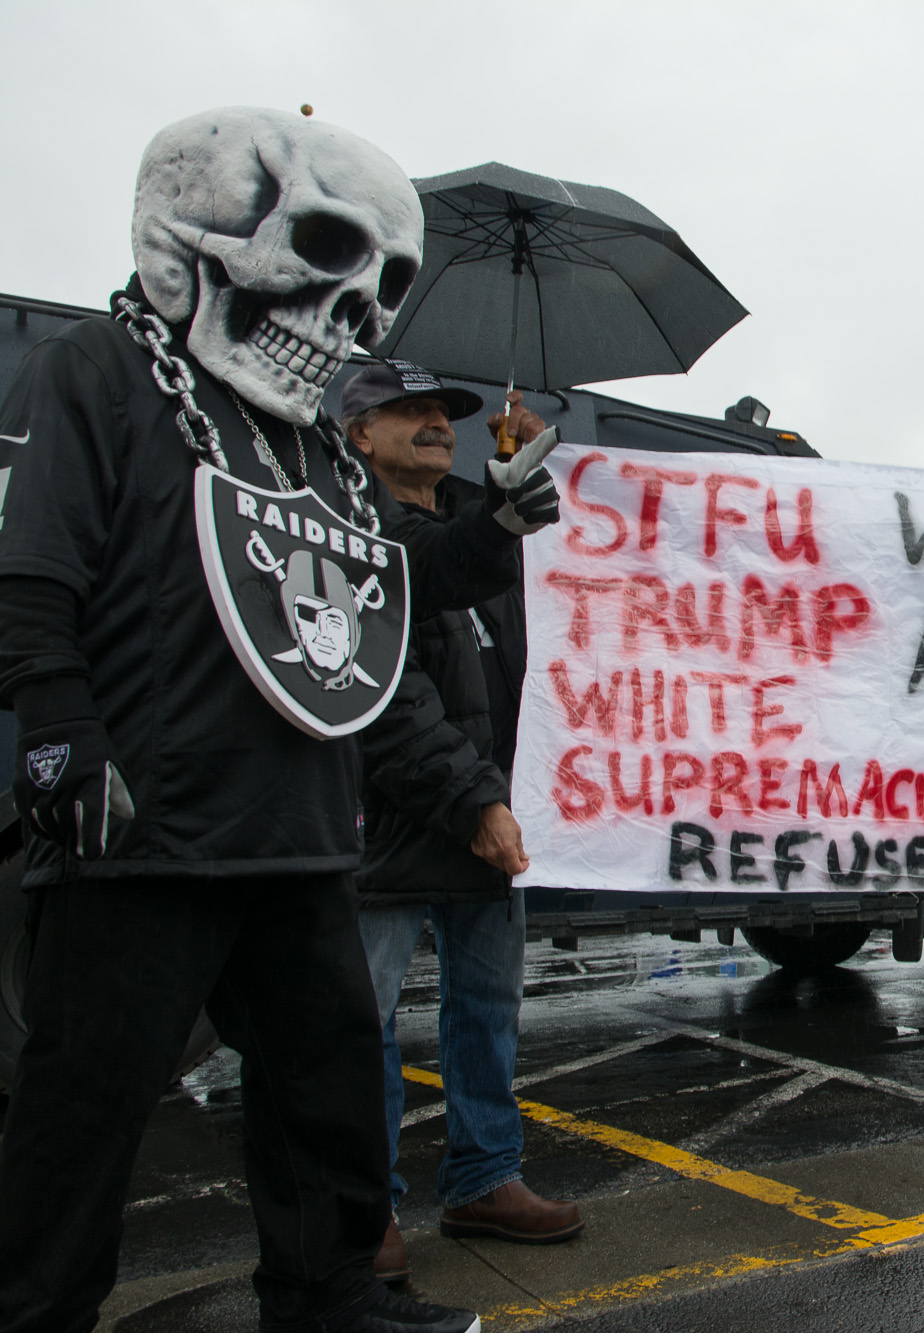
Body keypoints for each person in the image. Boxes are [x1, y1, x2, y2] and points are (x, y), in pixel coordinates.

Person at [0, 108, 508, 1333]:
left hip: (299, 826)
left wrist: (497, 521)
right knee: (85, 1101)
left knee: (323, 1087)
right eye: (326, 257)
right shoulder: (101, 371)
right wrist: (57, 725)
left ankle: (329, 1294)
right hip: (147, 827)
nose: (353, 316)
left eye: (382, 289)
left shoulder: (317, 447)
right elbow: (34, 568)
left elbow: (394, 587)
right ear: (189, 239)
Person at [340, 365, 580, 1283]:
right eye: (410, 412)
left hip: (489, 810)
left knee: (487, 1008)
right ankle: (361, 1208)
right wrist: (475, 798)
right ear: (360, 435)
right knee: (358, 1019)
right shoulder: (347, 532)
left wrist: (508, 478)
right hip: (396, 821)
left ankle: (484, 1177)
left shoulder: (475, 535)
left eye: (445, 413)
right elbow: (382, 696)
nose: (436, 423)